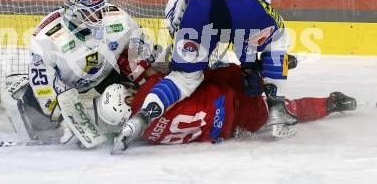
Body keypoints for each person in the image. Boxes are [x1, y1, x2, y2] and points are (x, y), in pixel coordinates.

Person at [113, 0, 294, 152]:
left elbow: (177, 0)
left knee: (184, 77)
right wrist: (249, 65)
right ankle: (277, 109)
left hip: (199, 10)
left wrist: (179, 37)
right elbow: (254, 28)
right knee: (279, 36)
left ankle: (140, 119)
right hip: (242, 2)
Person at [2, 0, 155, 145]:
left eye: (100, 10)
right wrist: (61, 118)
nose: (99, 17)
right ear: (73, 14)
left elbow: (139, 46)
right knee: (42, 127)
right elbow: (43, 87)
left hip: (104, 74)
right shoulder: (46, 38)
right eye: (91, 13)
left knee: (126, 104)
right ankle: (28, 95)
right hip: (62, 85)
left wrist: (148, 75)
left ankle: (116, 125)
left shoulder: (118, 19)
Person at [98, 64, 357, 149]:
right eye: (127, 93)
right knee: (214, 71)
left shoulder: (146, 137)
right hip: (231, 95)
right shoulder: (146, 96)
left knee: (282, 110)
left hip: (233, 126)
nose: (131, 91)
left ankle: (328, 103)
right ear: (128, 101)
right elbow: (176, 77)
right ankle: (272, 66)